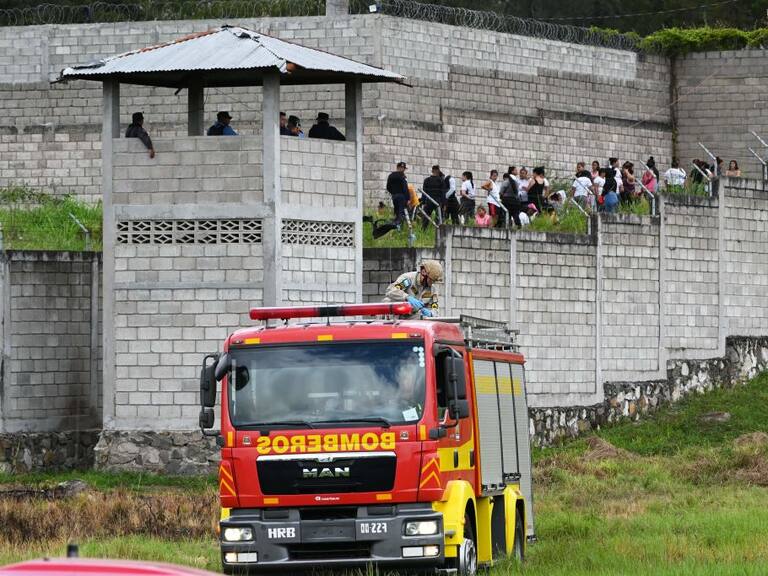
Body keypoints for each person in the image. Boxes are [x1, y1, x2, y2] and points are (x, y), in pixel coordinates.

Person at [421, 165, 446, 229]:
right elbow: (443, 194)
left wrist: (423, 202)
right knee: (438, 218)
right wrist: (444, 204)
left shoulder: (426, 180)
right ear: (438, 171)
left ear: (432, 171)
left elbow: (424, 193)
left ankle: (423, 230)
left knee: (426, 218)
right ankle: (438, 230)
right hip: (438, 201)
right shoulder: (441, 180)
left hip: (429, 201)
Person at [386, 161, 409, 228]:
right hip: (401, 197)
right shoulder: (402, 176)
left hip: (394, 196)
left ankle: (396, 226)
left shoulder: (391, 175)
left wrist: (393, 193)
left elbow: (388, 187)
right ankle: (398, 226)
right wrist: (407, 199)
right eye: (403, 168)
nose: (403, 169)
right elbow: (405, 188)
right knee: (401, 213)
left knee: (397, 212)